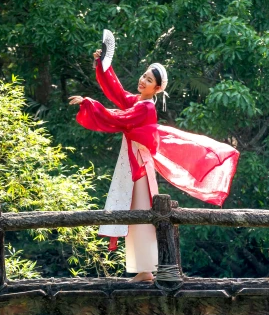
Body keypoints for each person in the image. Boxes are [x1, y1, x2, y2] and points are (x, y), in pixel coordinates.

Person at [69, 49, 239, 282]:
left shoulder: (145, 107)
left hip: (138, 164)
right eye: (143, 76)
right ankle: (143, 269)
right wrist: (101, 64)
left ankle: (147, 269)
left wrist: (89, 103)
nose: (143, 80)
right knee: (135, 213)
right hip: (133, 161)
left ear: (157, 88)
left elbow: (117, 119)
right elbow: (117, 91)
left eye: (149, 80)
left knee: (140, 213)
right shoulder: (138, 101)